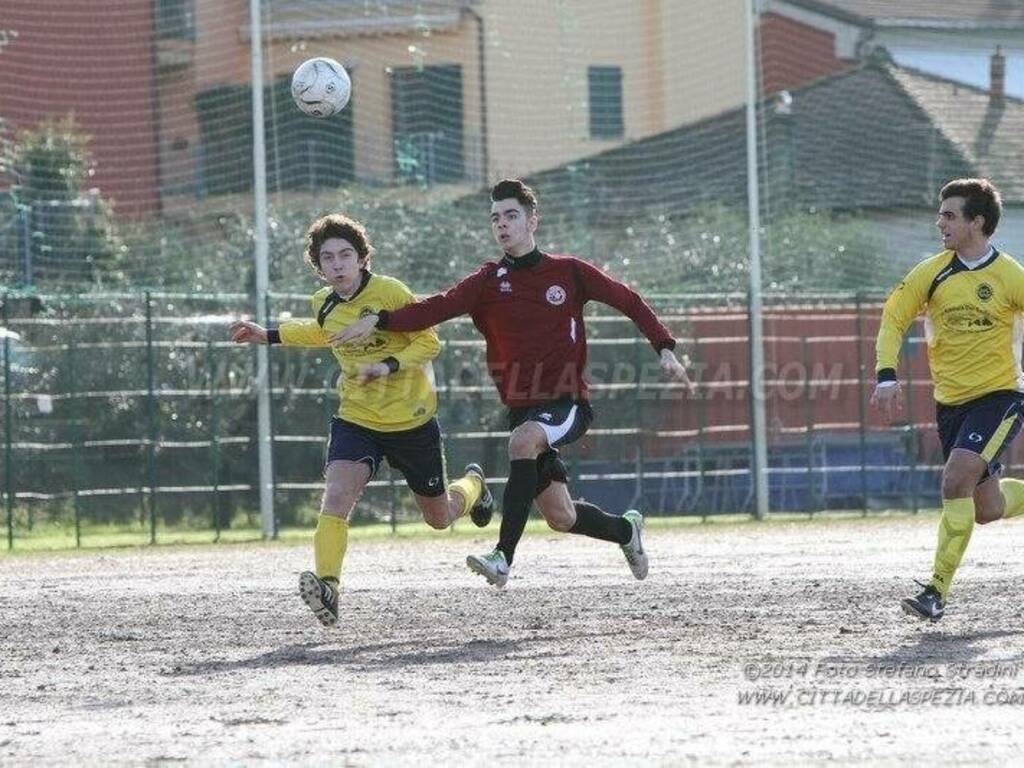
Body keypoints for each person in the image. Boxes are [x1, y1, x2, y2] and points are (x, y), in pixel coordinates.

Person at [333, 179, 692, 588]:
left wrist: (664, 346)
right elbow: (434, 308)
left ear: (532, 220)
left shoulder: (568, 272)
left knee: (522, 442)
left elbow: (629, 300)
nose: (501, 224)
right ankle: (627, 532)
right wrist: (379, 319)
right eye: (495, 218)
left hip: (566, 402)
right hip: (523, 409)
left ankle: (502, 557)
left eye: (511, 215)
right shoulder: (487, 281)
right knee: (561, 516)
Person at [230, 213, 493, 627]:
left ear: (362, 258)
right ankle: (329, 586)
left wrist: (388, 365)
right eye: (328, 257)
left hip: (411, 421)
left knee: (439, 518)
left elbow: (428, 341)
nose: (337, 264)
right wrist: (268, 334)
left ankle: (474, 486)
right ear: (318, 265)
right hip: (357, 419)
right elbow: (321, 332)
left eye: (345, 255)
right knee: (336, 497)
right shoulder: (323, 302)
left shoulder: (390, 293)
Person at [871, 178, 1024, 621]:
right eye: (941, 214)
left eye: (950, 215)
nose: (940, 222)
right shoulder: (932, 272)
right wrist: (885, 374)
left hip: (1002, 396)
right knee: (987, 510)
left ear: (977, 222)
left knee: (955, 480)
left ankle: (936, 590)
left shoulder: (1010, 276)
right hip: (951, 403)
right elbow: (893, 318)